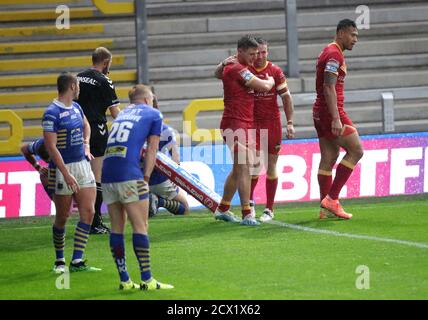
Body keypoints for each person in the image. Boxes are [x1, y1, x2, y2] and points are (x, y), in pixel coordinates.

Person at [215, 36, 295, 222]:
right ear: (240, 52)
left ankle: (223, 208)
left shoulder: (238, 66)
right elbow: (265, 86)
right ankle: (247, 213)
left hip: (246, 123)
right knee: (245, 168)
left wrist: (221, 65)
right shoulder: (237, 68)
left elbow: (218, 73)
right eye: (252, 53)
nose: (255, 57)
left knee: (239, 169)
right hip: (236, 123)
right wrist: (269, 81)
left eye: (259, 53)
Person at [101, 84, 173, 290]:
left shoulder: (122, 114)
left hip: (107, 174)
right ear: (147, 99)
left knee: (117, 227)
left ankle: (124, 280)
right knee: (140, 226)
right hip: (130, 174)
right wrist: (146, 177)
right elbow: (152, 150)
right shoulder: (153, 114)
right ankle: (147, 279)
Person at [42, 72, 99, 274]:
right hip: (62, 169)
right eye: (78, 86)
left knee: (89, 212)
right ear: (72, 86)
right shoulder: (51, 113)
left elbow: (86, 125)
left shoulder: (77, 107)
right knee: (63, 216)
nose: (79, 89)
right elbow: (51, 147)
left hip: (82, 165)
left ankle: (76, 260)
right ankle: (59, 260)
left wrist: (86, 145)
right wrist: (66, 173)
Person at [313, 19, 364, 219]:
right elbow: (328, 87)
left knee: (329, 158)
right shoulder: (334, 54)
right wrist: (335, 118)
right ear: (341, 33)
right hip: (330, 112)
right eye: (353, 35)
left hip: (320, 112)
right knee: (356, 150)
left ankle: (324, 209)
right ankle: (331, 199)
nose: (355, 40)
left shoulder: (328, 51)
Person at [76, 47, 121, 234]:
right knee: (97, 175)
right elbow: (115, 112)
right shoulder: (105, 81)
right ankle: (94, 222)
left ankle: (84, 218)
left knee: (78, 174)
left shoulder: (77, 77)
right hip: (96, 130)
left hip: (76, 128)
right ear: (106, 62)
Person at [146, 94, 189, 217]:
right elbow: (175, 158)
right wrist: (175, 178)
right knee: (185, 206)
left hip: (137, 180)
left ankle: (155, 201)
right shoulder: (165, 130)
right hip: (160, 180)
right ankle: (160, 202)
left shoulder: (133, 128)